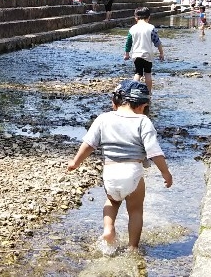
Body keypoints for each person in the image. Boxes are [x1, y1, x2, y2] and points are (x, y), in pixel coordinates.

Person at [67, 80, 173, 253]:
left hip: (110, 171)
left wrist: (75, 162)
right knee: (136, 211)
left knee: (111, 201)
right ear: (143, 105)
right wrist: (165, 173)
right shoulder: (143, 121)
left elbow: (89, 144)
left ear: (115, 102)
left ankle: (108, 230)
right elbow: (154, 151)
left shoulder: (103, 118)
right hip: (133, 172)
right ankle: (132, 248)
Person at [124, 7, 165, 92]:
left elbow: (128, 43)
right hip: (147, 55)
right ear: (149, 17)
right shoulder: (151, 28)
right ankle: (149, 93)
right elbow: (157, 42)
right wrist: (161, 53)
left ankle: (134, 91)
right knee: (148, 73)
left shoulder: (132, 28)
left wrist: (127, 54)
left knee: (138, 73)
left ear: (135, 18)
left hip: (136, 55)